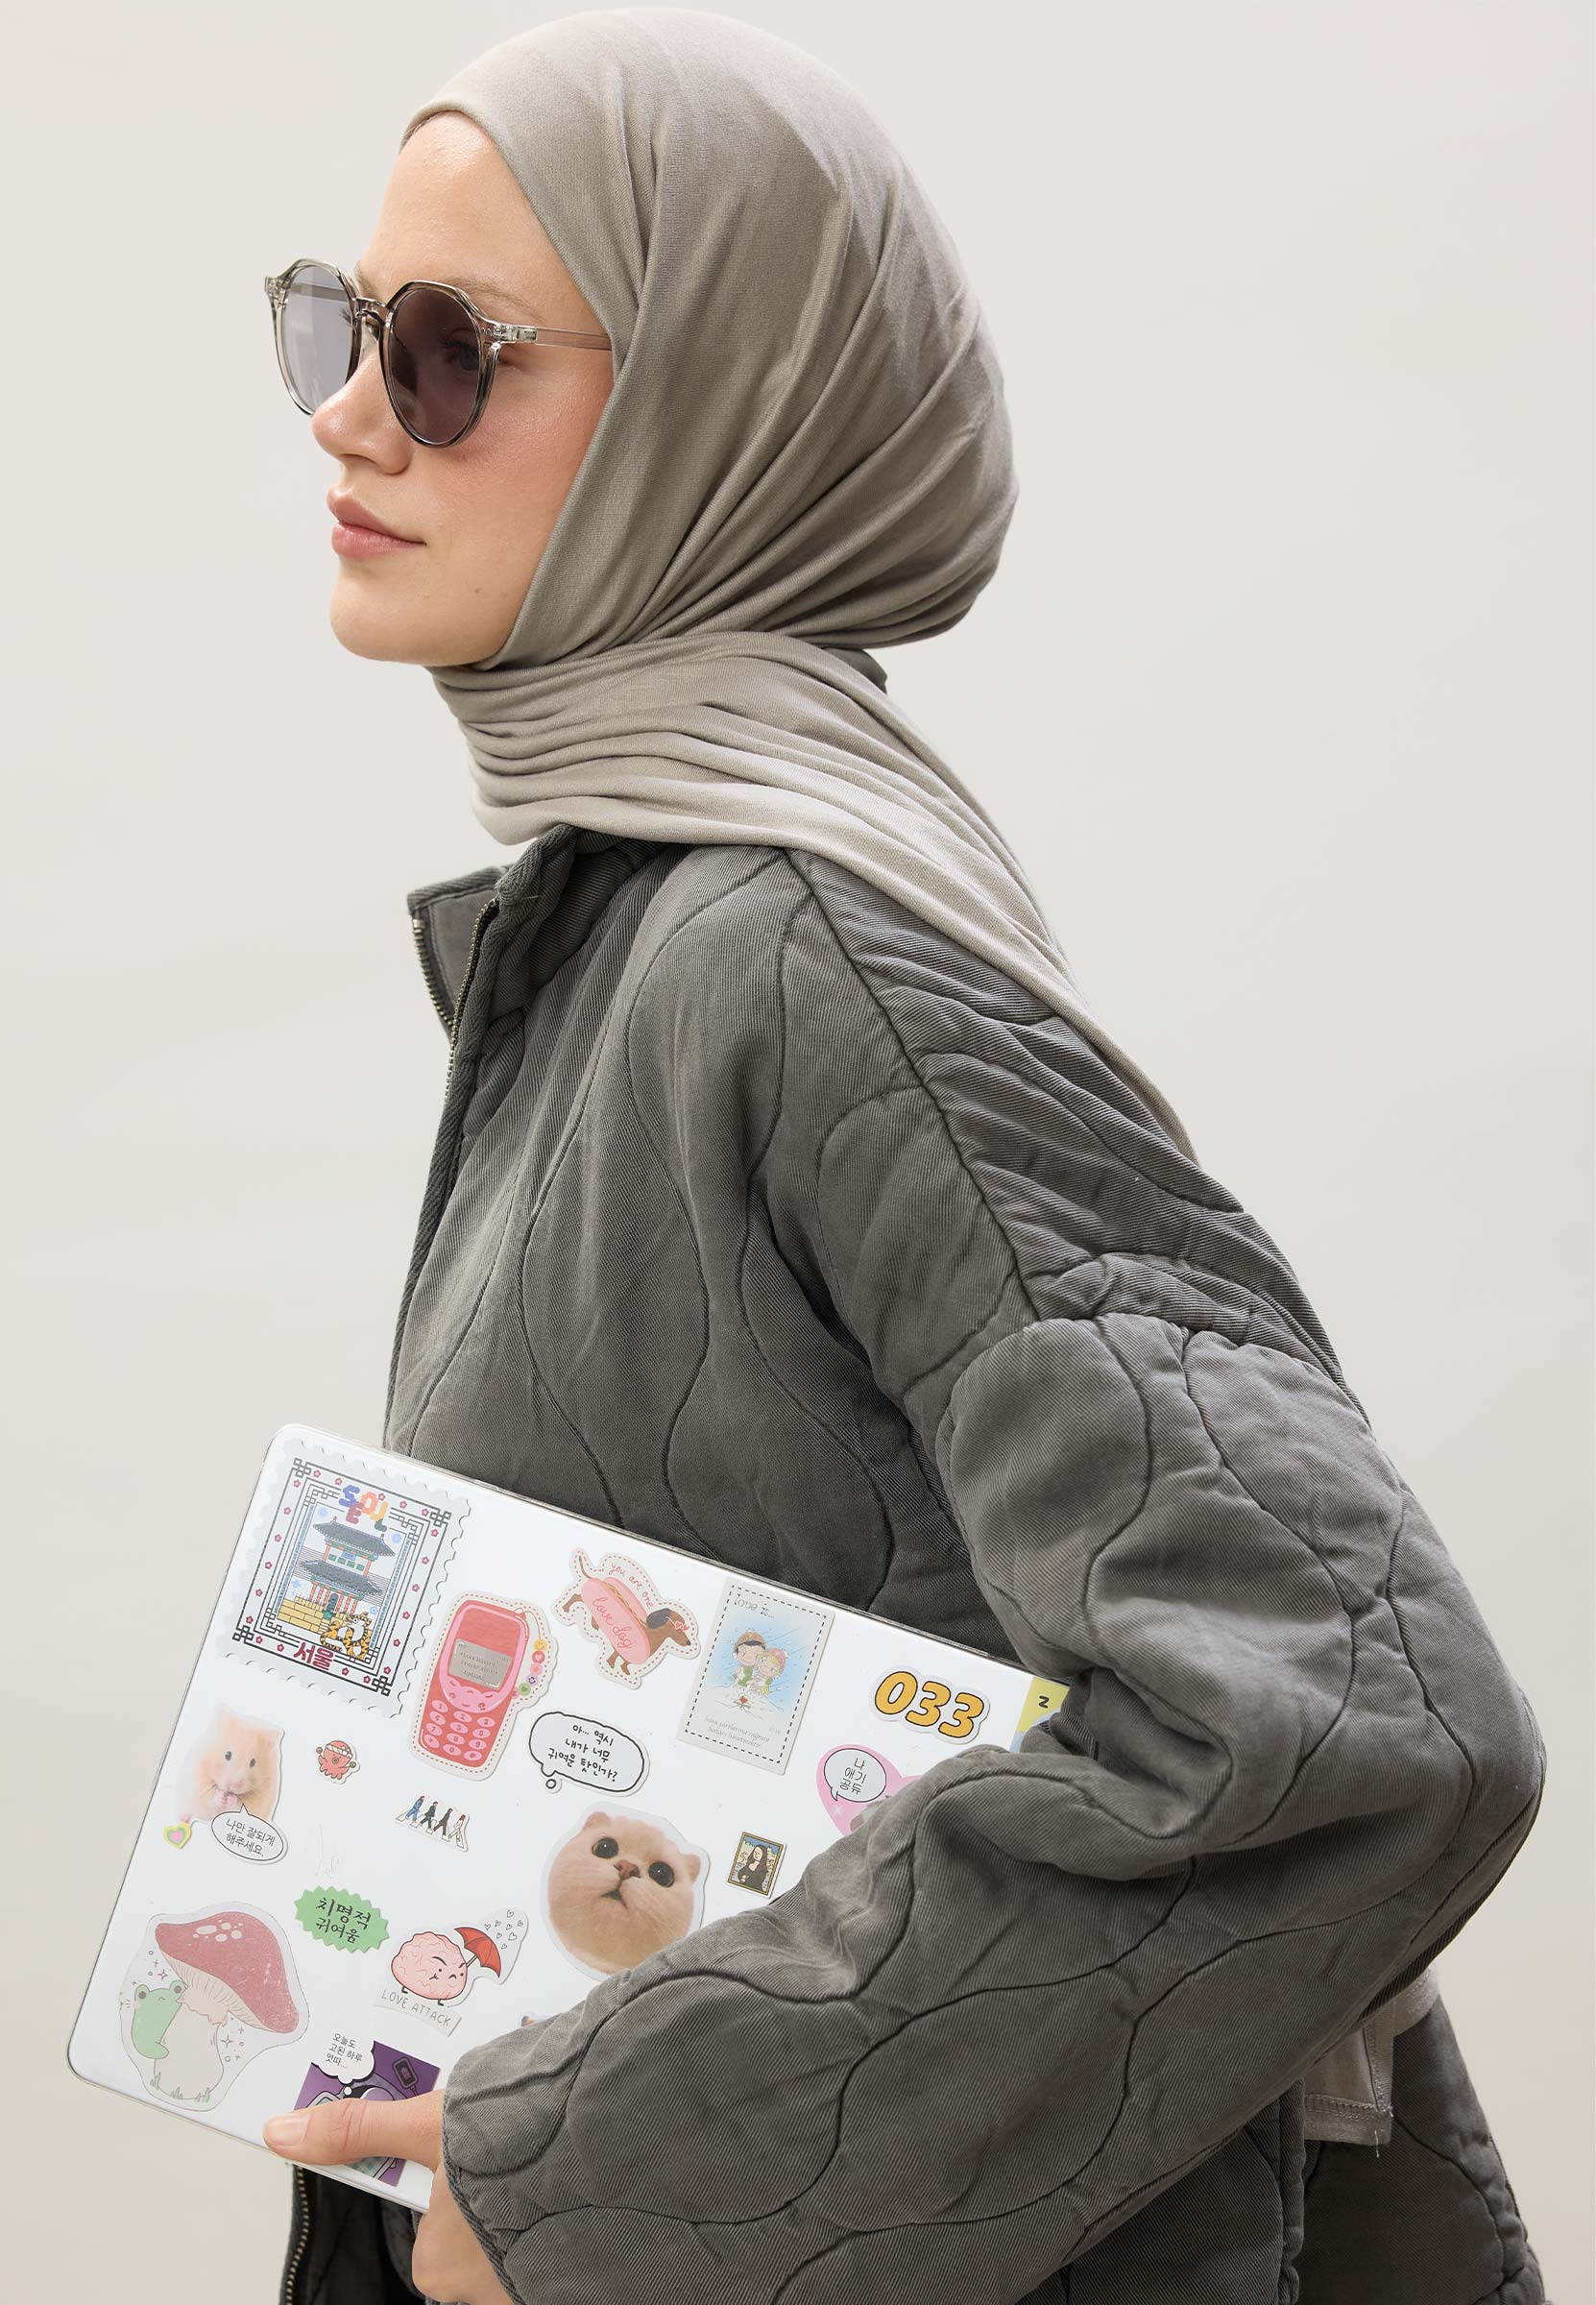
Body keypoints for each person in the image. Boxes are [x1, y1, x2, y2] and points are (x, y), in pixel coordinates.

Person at [257, 12, 1547, 2304]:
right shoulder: (635, 934)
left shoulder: (807, 966)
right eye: (336, 327)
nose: (353, 411)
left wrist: (607, 2180)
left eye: (447, 353)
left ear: (723, 413)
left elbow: (1351, 1727)